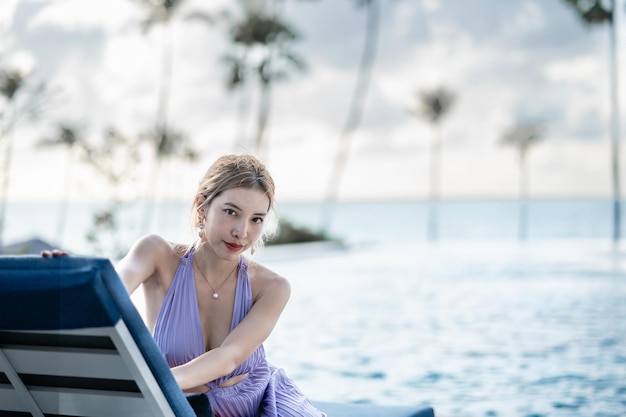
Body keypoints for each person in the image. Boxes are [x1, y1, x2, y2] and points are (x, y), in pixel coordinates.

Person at [44, 154, 326, 417]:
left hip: (257, 406)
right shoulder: (156, 254)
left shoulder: (273, 287)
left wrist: (153, 382)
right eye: (231, 212)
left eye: (256, 220)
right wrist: (72, 276)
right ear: (202, 207)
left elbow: (229, 357)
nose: (242, 232)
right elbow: (106, 293)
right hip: (179, 406)